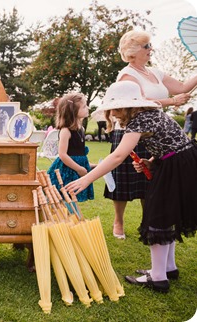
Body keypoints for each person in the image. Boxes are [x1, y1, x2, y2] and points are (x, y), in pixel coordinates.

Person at [66, 81, 197, 293]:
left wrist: (87, 179)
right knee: (167, 216)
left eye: (116, 109)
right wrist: (151, 160)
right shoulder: (151, 115)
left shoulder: (140, 120)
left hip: (175, 167)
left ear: (129, 106)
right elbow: (171, 143)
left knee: (158, 218)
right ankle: (168, 268)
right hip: (180, 162)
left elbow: (118, 155)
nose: (114, 114)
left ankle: (158, 278)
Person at [107, 29, 197, 239]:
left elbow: (182, 87)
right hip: (131, 130)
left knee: (151, 177)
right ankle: (118, 221)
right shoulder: (127, 75)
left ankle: (151, 219)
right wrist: (171, 102)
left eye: (150, 45)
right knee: (125, 179)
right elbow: (138, 103)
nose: (151, 49)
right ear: (132, 52)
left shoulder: (155, 72)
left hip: (153, 132)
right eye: (146, 46)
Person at [47, 92, 95, 202]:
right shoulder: (66, 131)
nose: (87, 108)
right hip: (68, 170)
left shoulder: (81, 129)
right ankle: (68, 217)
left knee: (74, 198)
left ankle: (72, 216)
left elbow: (78, 153)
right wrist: (79, 169)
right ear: (73, 111)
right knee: (67, 196)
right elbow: (63, 154)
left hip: (78, 168)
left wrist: (90, 166)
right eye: (84, 106)